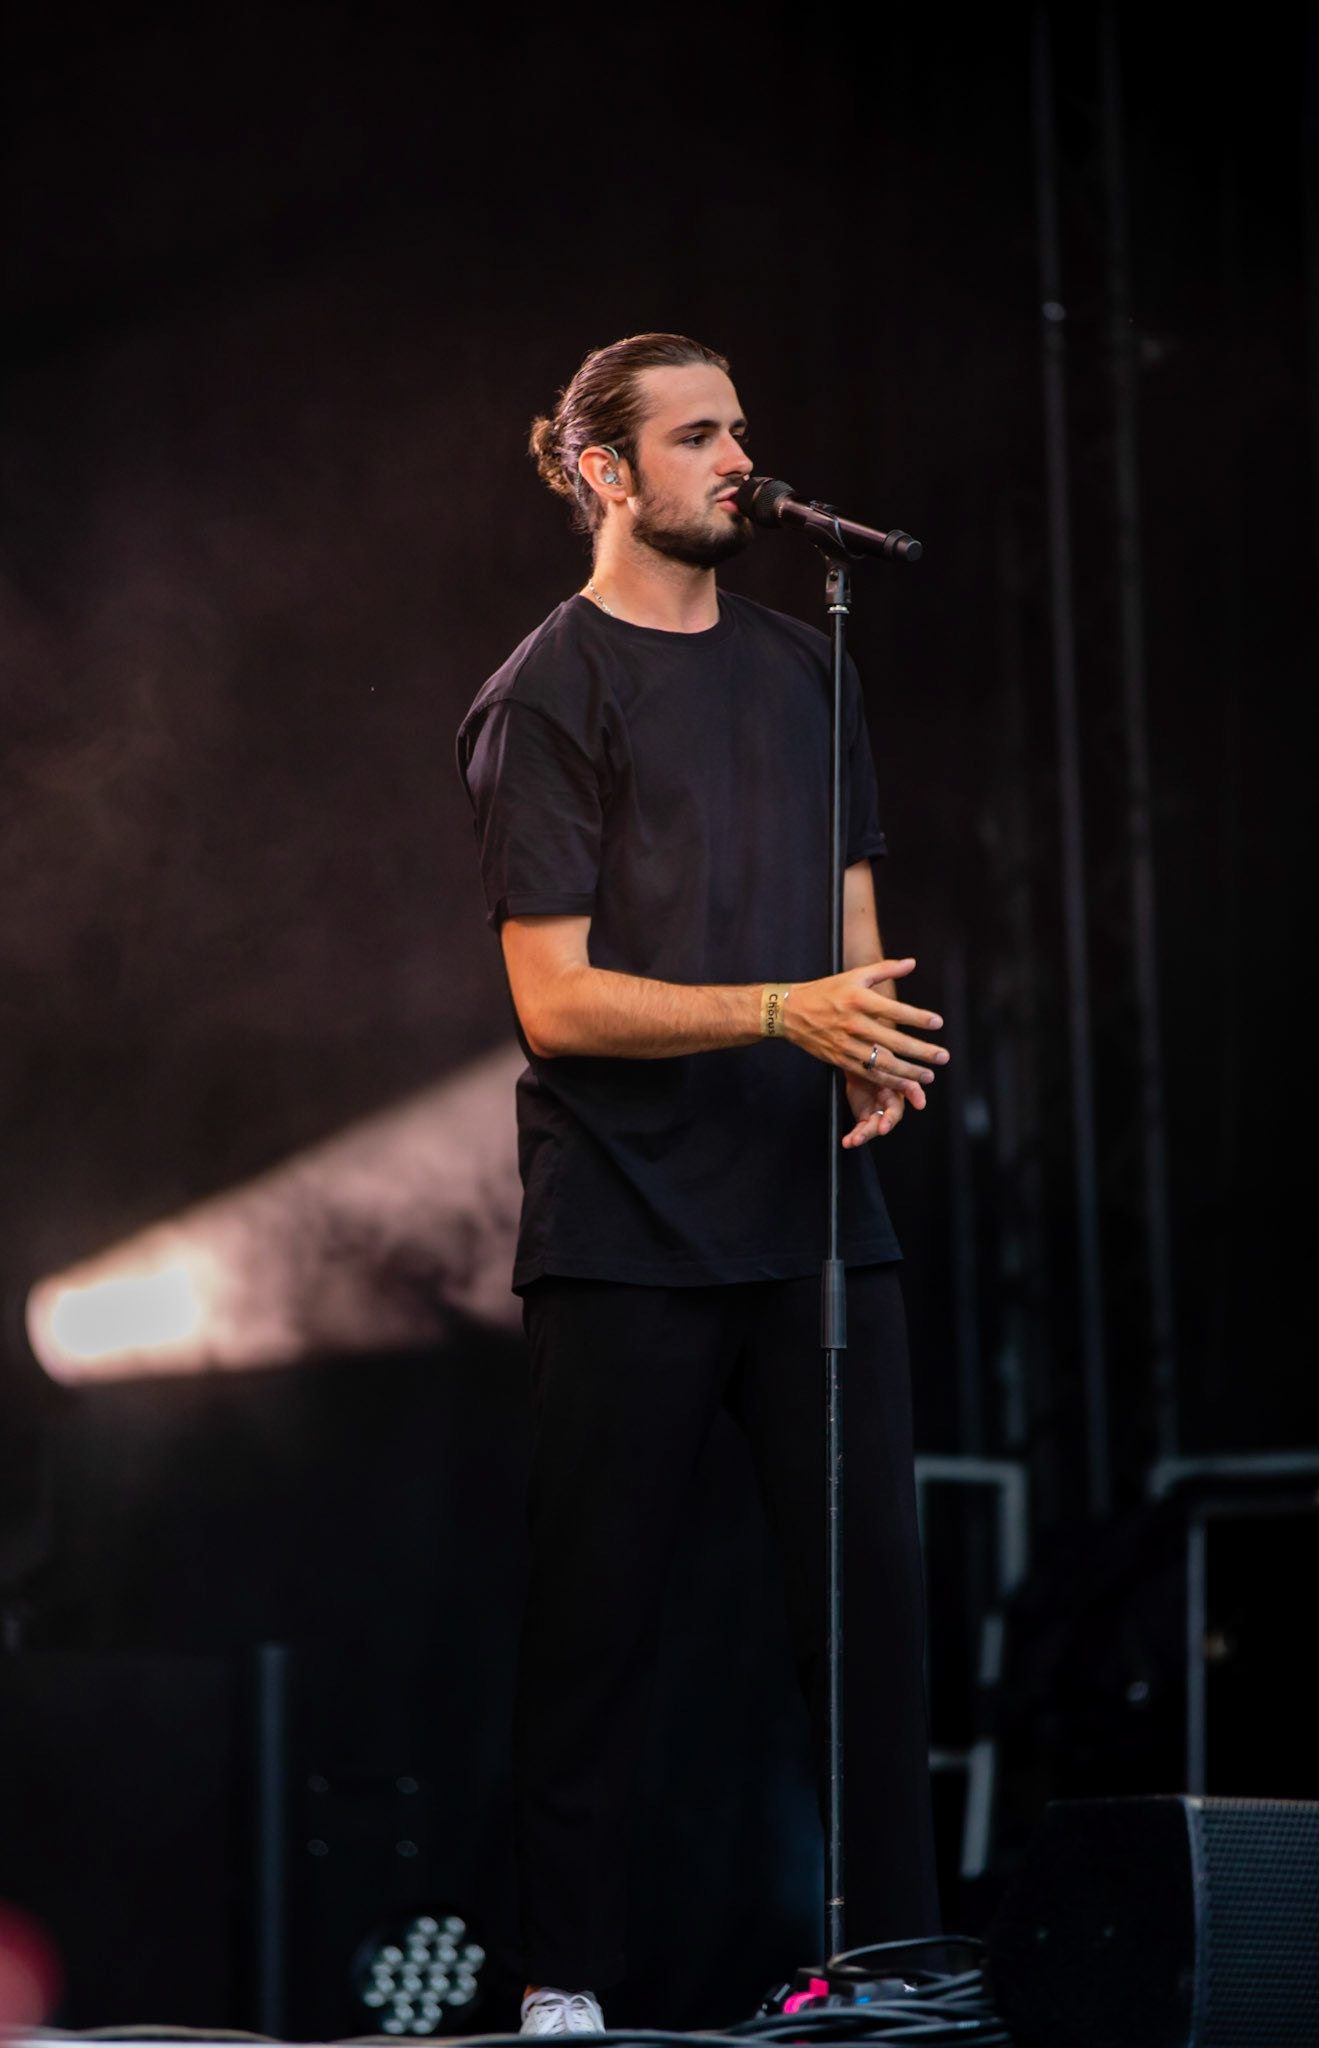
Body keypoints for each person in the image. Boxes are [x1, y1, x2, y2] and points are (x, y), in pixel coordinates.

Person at [457, 333, 946, 2036]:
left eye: (742, 426)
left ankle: (888, 1967)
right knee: (596, 1621)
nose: (739, 455)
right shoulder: (548, 690)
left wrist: (864, 1029)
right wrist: (772, 1010)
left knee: (872, 1607)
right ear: (603, 470)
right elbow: (554, 997)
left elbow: (848, 885)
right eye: (697, 433)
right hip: (623, 1223)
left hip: (809, 1215)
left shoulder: (804, 663)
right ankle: (564, 1982)